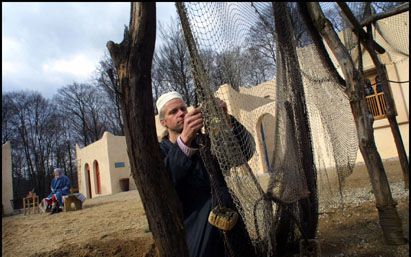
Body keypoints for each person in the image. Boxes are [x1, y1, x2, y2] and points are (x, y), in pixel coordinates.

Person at [157, 91, 256, 257]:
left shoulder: (205, 143)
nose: (181, 113)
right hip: (195, 229)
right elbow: (167, 181)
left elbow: (245, 152)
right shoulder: (159, 152)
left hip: (231, 228)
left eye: (183, 108)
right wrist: (184, 140)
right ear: (163, 122)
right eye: (173, 112)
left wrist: (227, 121)